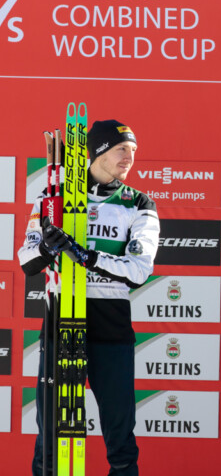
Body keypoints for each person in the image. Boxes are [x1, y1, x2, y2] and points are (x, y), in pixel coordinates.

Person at [19, 120, 160, 476]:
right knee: (51, 433)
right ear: (98, 151)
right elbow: (27, 261)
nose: (129, 157)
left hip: (110, 326)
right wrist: (49, 249)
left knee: (120, 435)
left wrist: (86, 255)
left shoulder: (138, 202)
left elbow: (139, 269)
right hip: (62, 319)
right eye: (121, 149)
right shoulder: (55, 196)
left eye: (133, 151)